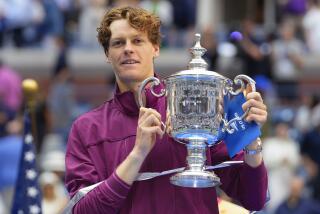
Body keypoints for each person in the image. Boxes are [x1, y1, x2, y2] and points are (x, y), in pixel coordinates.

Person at [65, 6, 268, 213]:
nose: (128, 48)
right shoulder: (87, 129)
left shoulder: (195, 108)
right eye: (118, 43)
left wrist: (251, 138)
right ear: (107, 53)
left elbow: (253, 198)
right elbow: (82, 211)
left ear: (156, 48)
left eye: (137, 40)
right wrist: (138, 153)